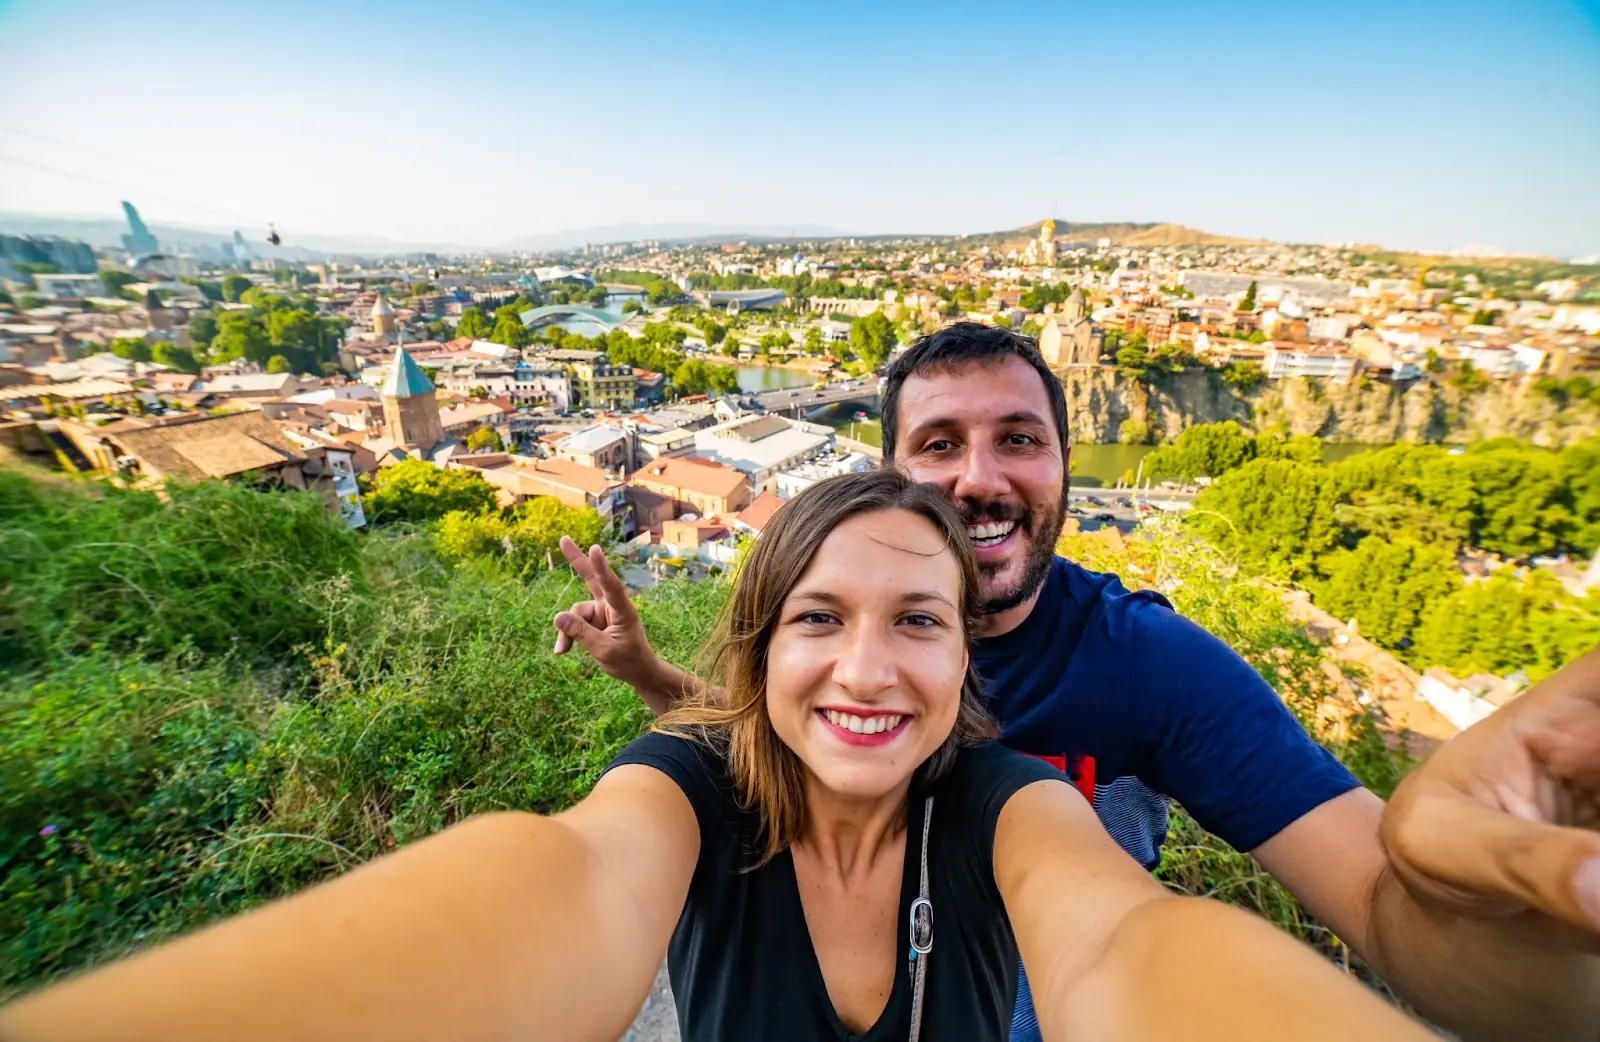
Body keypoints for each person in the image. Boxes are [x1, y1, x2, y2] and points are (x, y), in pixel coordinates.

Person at [0, 470, 1434, 1042]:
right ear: (762, 646)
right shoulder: (686, 786)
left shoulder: (1006, 806)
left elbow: (1132, 944)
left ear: (963, 664)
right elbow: (562, 876)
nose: (870, 665)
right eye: (821, 616)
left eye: (918, 623)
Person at [552, 323, 1600, 1042]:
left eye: (1020, 440)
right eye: (938, 445)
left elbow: (1370, 897)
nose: (980, 477)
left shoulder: (1143, 659)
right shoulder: (829, 633)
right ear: (887, 479)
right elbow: (740, 749)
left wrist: (1530, 926)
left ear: (1061, 469)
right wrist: (648, 673)